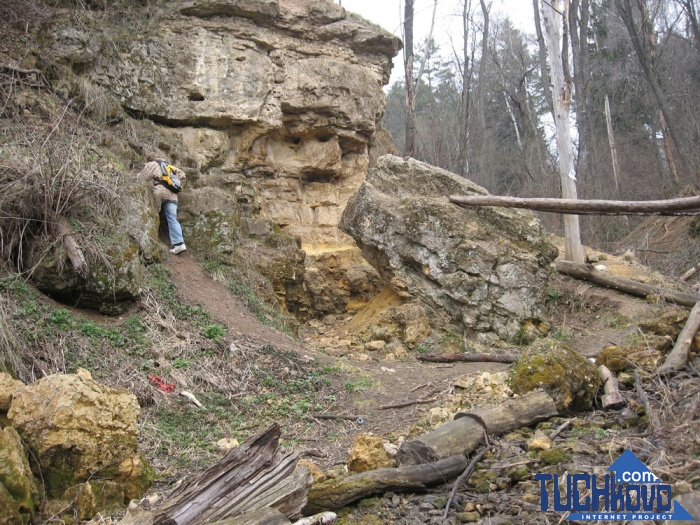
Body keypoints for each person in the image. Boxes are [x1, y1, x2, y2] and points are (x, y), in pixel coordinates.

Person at [138, 155, 187, 254]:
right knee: (172, 219)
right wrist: (177, 187)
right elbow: (183, 176)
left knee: (154, 213)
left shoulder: (152, 164)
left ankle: (153, 238)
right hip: (172, 194)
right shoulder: (169, 167)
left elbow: (142, 178)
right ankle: (179, 244)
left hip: (159, 191)